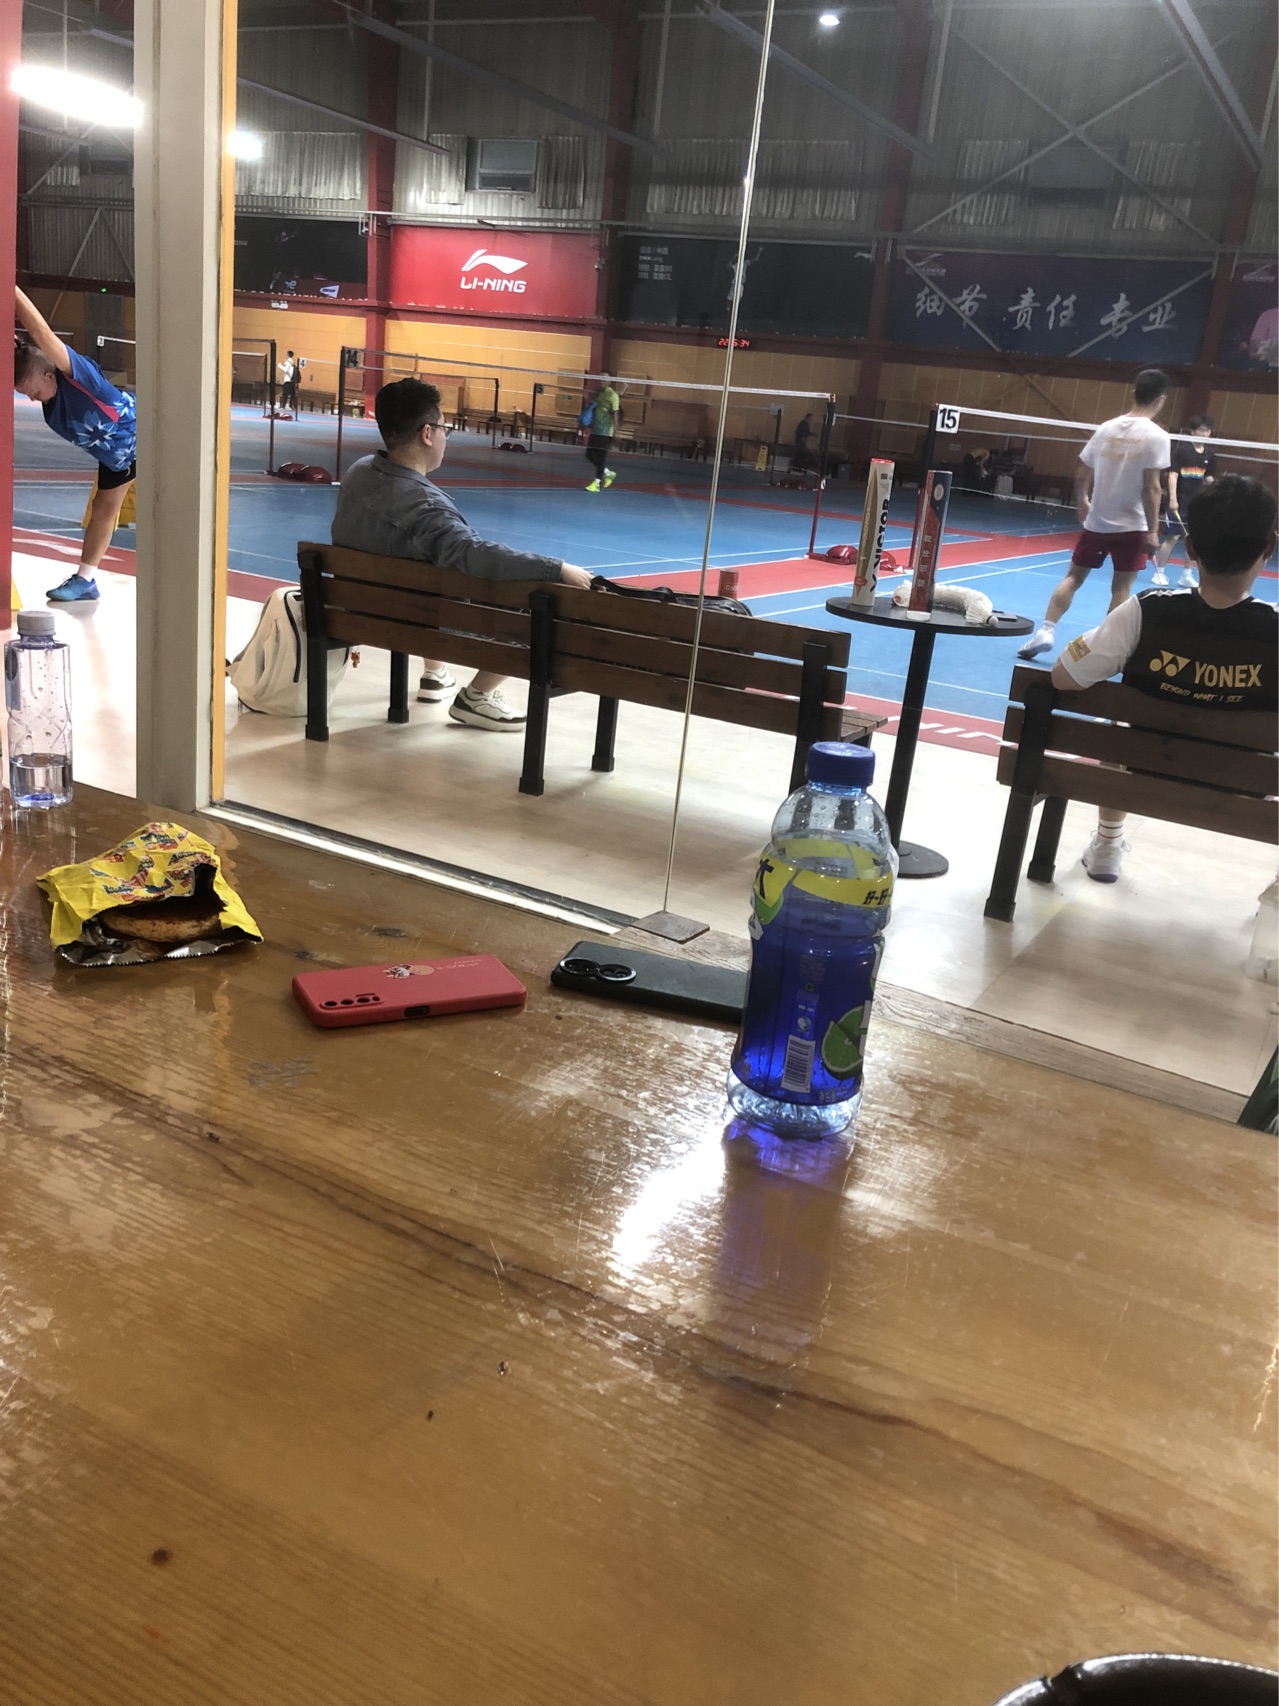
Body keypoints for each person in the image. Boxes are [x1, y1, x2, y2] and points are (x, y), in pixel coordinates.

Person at [332, 377, 593, 732]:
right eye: (444, 429)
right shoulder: (427, 506)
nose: (445, 436)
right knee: (540, 603)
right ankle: (477, 696)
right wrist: (556, 568)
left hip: (361, 610)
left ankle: (435, 673)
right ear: (427, 434)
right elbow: (472, 553)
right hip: (422, 620)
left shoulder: (357, 473)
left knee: (422, 571)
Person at [1050, 474, 1277, 882]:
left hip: (1144, 768)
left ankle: (1107, 846)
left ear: (1191, 547)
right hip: (1247, 784)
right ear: (1270, 547)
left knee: (1116, 726)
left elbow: (1063, 676)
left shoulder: (1145, 611)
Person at [1019, 367, 1173, 660]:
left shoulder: (1106, 428)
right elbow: (1152, 487)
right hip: (1134, 526)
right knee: (1122, 588)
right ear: (1161, 399)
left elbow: (1082, 472)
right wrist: (1153, 530)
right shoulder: (1158, 436)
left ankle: (1046, 631)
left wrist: (1083, 501)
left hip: (1098, 523)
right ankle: (1105, 648)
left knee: (1073, 578)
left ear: (1134, 393)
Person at [13, 286, 137, 604]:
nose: (32, 399)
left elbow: (40, 333)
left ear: (49, 374)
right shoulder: (51, 406)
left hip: (148, 437)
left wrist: (9, 288)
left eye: (32, 392)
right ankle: (85, 581)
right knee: (103, 509)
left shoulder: (79, 376)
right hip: (117, 460)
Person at [1152, 414, 1217, 589]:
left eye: (1207, 431)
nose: (1205, 434)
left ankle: (1186, 575)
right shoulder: (1182, 450)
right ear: (1193, 432)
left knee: (1194, 539)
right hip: (1180, 500)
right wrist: (1173, 499)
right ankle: (1159, 572)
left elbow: (1209, 477)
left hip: (1198, 503)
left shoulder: (1210, 453)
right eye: (1201, 430)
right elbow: (1173, 475)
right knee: (1173, 537)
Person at [583, 375, 621, 493]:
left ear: (610, 381)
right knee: (589, 454)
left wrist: (616, 432)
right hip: (596, 429)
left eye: (605, 379)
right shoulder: (598, 393)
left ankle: (597, 483)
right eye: (601, 379)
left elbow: (615, 414)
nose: (602, 381)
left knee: (601, 456)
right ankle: (608, 473)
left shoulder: (613, 395)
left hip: (606, 431)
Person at [278, 350, 299, 414]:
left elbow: (285, 370)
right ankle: (291, 406)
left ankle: (284, 406)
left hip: (288, 381)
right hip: (292, 381)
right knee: (292, 394)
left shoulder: (288, 362)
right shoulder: (292, 363)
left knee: (285, 394)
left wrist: (279, 366)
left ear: (288, 355)